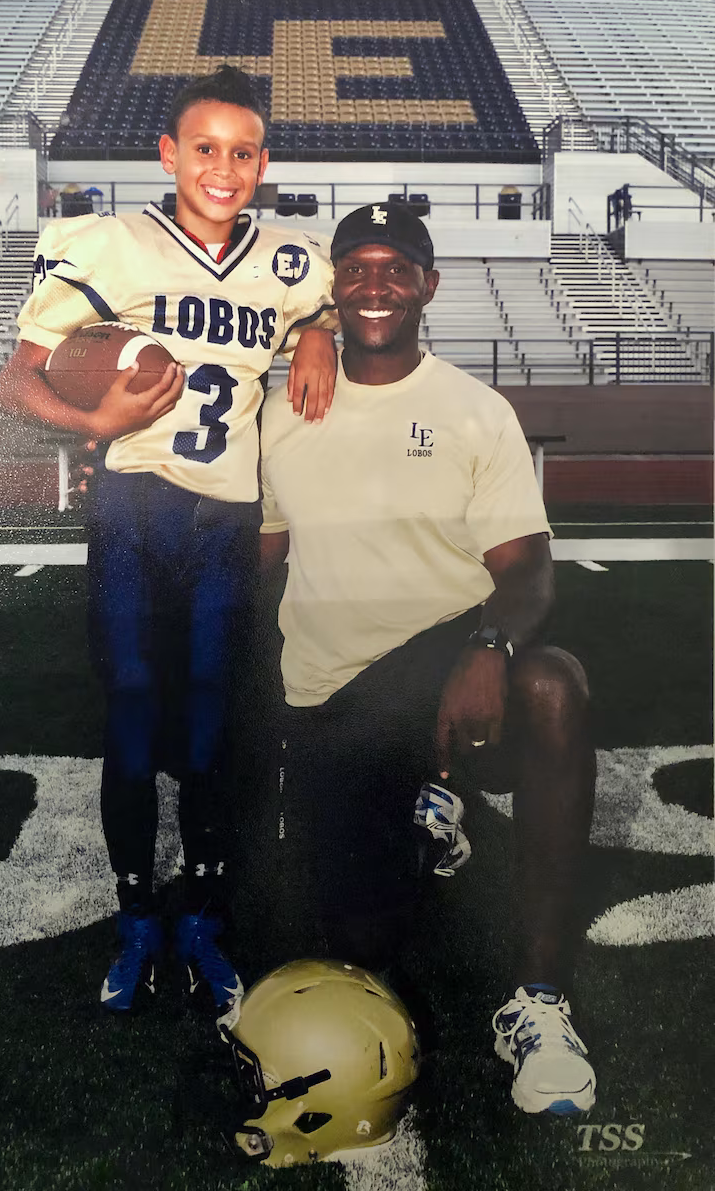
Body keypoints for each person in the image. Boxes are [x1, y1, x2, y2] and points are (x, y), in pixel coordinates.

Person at [0, 65, 338, 1026]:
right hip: (135, 514)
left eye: (241, 152)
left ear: (262, 163)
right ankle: (139, 913)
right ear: (168, 154)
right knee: (136, 722)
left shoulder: (289, 259)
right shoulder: (111, 244)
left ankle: (204, 916)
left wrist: (321, 333)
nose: (222, 169)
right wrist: (91, 420)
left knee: (212, 730)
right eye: (204, 149)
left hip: (227, 521)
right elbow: (13, 384)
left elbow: (327, 297)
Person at [256, 202, 597, 1116]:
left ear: (428, 287)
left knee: (553, 687)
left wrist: (489, 645)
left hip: (450, 663)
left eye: (396, 268)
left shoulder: (474, 410)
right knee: (361, 936)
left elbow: (525, 572)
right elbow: (257, 557)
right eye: (357, 267)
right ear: (333, 288)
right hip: (333, 700)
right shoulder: (280, 406)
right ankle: (421, 801)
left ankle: (538, 999)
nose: (376, 283)